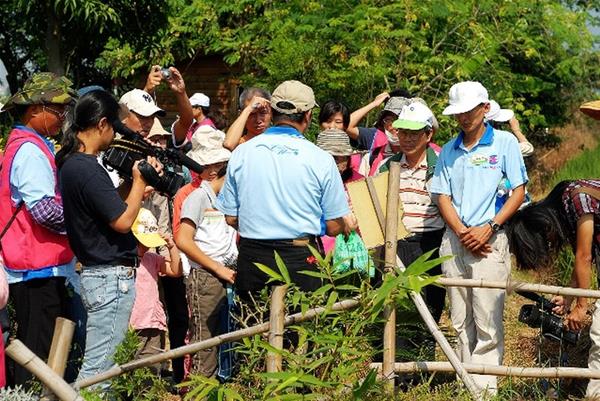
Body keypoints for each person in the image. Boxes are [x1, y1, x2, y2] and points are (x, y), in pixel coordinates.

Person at [56, 90, 162, 393]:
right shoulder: (88, 168)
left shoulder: (73, 164)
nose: (115, 134)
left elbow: (109, 209)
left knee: (102, 367)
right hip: (109, 277)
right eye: (114, 127)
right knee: (98, 372)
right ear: (103, 124)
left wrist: (131, 184)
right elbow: (123, 221)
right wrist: (140, 182)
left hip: (98, 275)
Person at [430, 81, 528, 396]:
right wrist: (460, 231)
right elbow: (442, 195)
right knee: (459, 317)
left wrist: (490, 225)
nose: (464, 118)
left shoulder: (504, 143)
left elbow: (519, 191)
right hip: (455, 239)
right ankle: (465, 382)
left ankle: (485, 389)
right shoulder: (448, 149)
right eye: (459, 112)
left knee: (487, 316)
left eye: (470, 110)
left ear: (484, 108)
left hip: (491, 238)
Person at [218, 80, 355, 301]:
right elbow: (332, 226)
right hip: (300, 258)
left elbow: (231, 217)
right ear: (308, 116)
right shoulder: (321, 158)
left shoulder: (242, 153)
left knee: (253, 329)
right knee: (299, 331)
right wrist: (344, 225)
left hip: (253, 257)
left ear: (271, 111)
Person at [0, 72, 76, 388]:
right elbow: (44, 211)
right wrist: (83, 219)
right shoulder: (30, 151)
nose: (62, 116)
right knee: (38, 355)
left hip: (38, 266)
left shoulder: (29, 144)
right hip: (36, 269)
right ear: (34, 110)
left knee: (40, 350)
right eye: (56, 109)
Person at [505, 179, 600, 397]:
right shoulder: (564, 202)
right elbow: (582, 257)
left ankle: (596, 395)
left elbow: (584, 256)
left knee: (599, 331)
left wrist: (581, 306)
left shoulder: (576, 199)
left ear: (544, 228)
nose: (551, 243)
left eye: (545, 242)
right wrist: (568, 297)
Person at [377, 101, 446, 324]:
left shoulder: (441, 168)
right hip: (394, 244)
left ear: (428, 135)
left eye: (413, 133)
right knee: (393, 310)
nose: (406, 139)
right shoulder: (387, 166)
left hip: (429, 245)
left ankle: (423, 357)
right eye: (403, 132)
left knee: (428, 311)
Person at [175, 131, 237, 377]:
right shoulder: (197, 197)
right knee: (205, 342)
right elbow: (183, 239)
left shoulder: (225, 197)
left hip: (227, 272)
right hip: (206, 276)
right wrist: (217, 267)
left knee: (228, 338)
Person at [129, 208, 181, 373]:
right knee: (131, 366)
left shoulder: (152, 258)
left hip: (153, 319)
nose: (145, 246)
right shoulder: (124, 260)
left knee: (152, 366)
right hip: (133, 322)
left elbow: (175, 270)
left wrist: (172, 247)